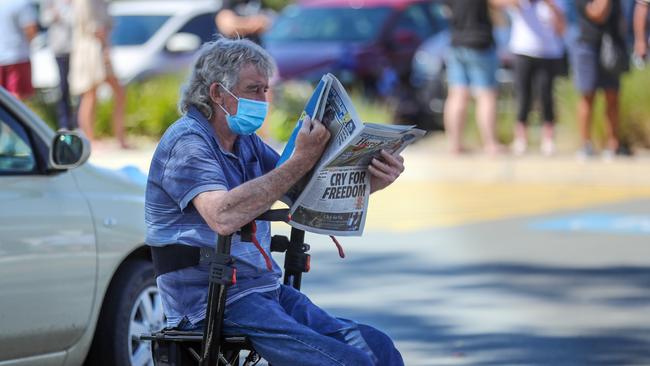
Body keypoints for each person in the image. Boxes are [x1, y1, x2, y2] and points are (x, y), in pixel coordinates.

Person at [145, 38, 405, 366]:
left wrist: (370, 182)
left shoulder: (244, 142)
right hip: (212, 298)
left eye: (266, 90)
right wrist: (300, 159)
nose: (263, 100)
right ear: (217, 93)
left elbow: (302, 191)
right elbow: (223, 216)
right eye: (254, 89)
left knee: (378, 348)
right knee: (346, 362)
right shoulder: (187, 143)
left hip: (262, 289)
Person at [443, 0, 511, 155]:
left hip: (457, 41)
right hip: (480, 42)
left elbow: (447, 11)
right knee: (486, 95)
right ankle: (490, 144)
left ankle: (455, 144)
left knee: (456, 95)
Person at [506, 0, 567, 156]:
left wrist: (551, 5)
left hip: (547, 53)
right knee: (523, 96)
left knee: (546, 96)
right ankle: (521, 139)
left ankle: (548, 139)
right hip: (522, 51)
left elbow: (562, 29)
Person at [573, 0, 629, 159]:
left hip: (612, 45)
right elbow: (597, 13)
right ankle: (585, 145)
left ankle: (614, 144)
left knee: (613, 96)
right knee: (587, 96)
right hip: (588, 45)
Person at [70, 0, 128, 148]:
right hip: (91, 50)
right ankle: (90, 140)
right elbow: (94, 28)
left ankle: (120, 138)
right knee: (91, 93)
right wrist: (105, 47)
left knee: (118, 92)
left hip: (99, 48)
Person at [42, 0, 75, 130]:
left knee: (78, 88)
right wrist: (55, 14)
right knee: (63, 87)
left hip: (76, 49)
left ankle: (77, 122)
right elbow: (44, 19)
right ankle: (65, 124)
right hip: (60, 49)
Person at [0, 0, 38, 101]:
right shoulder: (22, 3)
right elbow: (31, 30)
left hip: (7, 57)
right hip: (18, 57)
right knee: (18, 100)